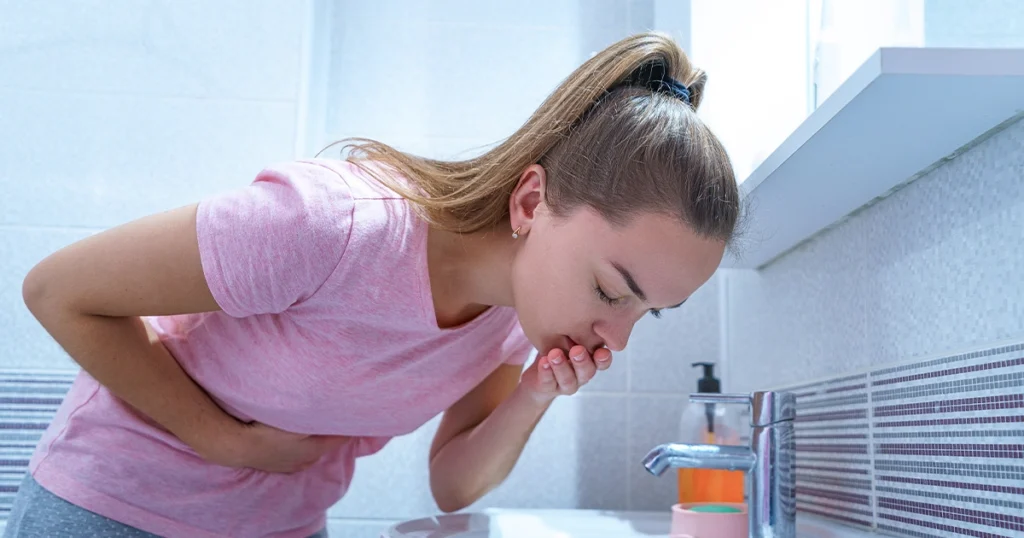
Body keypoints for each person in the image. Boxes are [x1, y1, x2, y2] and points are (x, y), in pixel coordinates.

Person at [5, 31, 740, 538]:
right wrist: (225, 441)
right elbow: (59, 292)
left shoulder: (517, 314)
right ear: (528, 203)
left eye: (652, 313)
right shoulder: (331, 224)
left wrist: (536, 392)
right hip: (112, 510)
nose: (617, 337)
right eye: (614, 290)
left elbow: (451, 486)